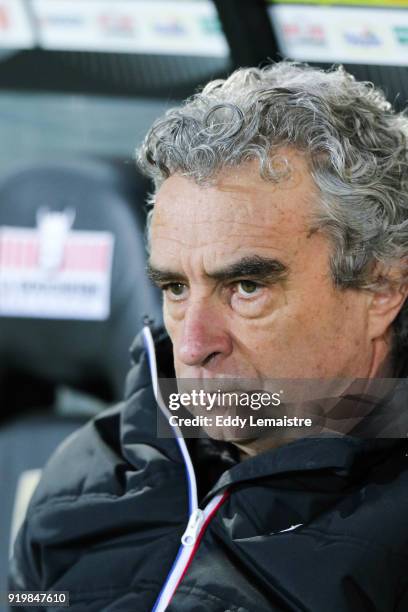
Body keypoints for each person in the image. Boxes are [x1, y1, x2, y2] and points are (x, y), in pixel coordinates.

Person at [9, 62, 408, 611]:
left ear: (382, 287)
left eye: (246, 287)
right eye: (174, 287)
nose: (193, 346)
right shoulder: (89, 476)